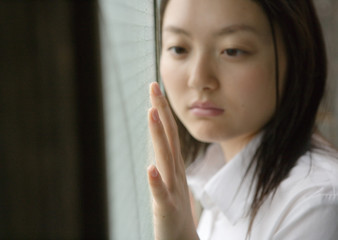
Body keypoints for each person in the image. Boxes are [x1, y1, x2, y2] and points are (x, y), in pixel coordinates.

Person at [146, 0, 338, 239]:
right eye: (179, 49)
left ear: (295, 55)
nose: (198, 79)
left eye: (232, 50)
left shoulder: (316, 205)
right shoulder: (210, 178)